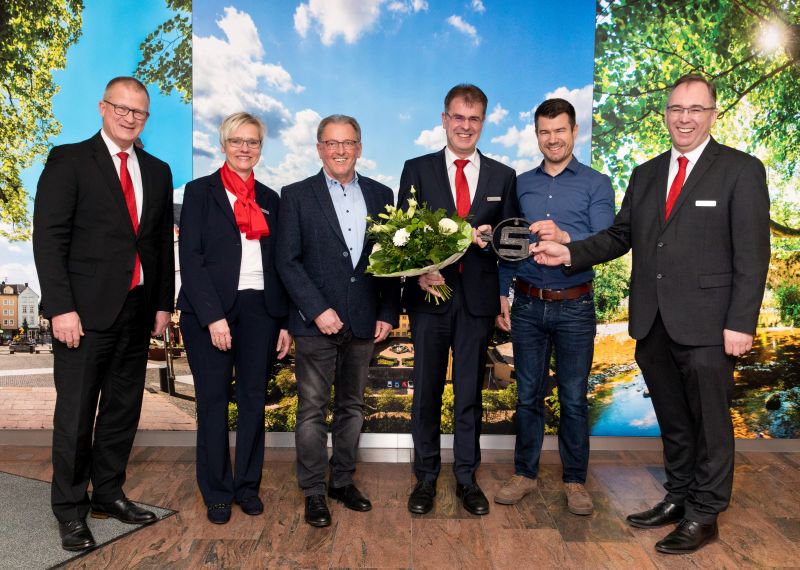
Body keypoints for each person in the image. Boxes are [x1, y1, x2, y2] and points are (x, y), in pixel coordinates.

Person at [531, 74, 770, 554]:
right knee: (674, 420)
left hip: (710, 326)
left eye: (695, 109)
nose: (685, 118)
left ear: (712, 114)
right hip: (653, 322)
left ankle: (705, 512)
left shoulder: (741, 170)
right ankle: (679, 496)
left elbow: (753, 253)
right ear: (666, 113)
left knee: (710, 424)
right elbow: (621, 236)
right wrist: (569, 251)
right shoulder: (646, 173)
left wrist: (741, 322)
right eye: (676, 109)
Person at [33, 77, 175, 551]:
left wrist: (162, 304)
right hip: (83, 315)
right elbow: (49, 240)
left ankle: (108, 494)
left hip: (137, 312)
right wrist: (61, 308)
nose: (130, 117)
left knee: (122, 411)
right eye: (122, 108)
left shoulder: (157, 170)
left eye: (139, 112)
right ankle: (70, 509)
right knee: (74, 416)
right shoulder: (68, 160)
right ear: (102, 107)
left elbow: (157, 246)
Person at [398, 84, 518, 516]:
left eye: (474, 119)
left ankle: (467, 479)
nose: (465, 126)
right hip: (430, 298)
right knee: (425, 393)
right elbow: (402, 233)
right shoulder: (417, 169)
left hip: (477, 303)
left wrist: (502, 286)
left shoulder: (503, 176)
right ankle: (425, 479)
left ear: (483, 122)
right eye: (458, 117)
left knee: (469, 394)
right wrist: (418, 271)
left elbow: (510, 243)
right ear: (444, 119)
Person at [276, 115, 399, 527]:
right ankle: (313, 491)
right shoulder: (294, 195)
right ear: (319, 148)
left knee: (351, 407)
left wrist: (387, 311)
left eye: (348, 143)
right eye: (331, 143)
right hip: (314, 325)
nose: (340, 150)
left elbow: (391, 261)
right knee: (312, 410)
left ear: (359, 147)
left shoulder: (383, 194)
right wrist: (317, 309)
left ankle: (342, 481)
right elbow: (287, 261)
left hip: (366, 321)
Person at [494, 98, 614, 514]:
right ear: (536, 135)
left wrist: (565, 238)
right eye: (545, 132)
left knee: (575, 399)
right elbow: (507, 244)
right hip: (527, 304)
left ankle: (575, 481)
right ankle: (524, 474)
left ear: (574, 131)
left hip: (575, 307)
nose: (553, 139)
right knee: (527, 396)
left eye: (560, 130)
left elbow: (605, 240)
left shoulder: (597, 183)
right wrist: (502, 293)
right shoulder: (520, 182)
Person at [177, 112, 291, 524]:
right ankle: (218, 492)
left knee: (253, 404)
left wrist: (284, 321)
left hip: (261, 309)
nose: (245, 148)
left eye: (254, 142)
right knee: (211, 405)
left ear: (261, 147)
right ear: (223, 144)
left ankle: (247, 486)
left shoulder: (271, 199)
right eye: (237, 141)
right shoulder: (199, 192)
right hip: (209, 313)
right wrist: (213, 318)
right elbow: (190, 259)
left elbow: (282, 264)